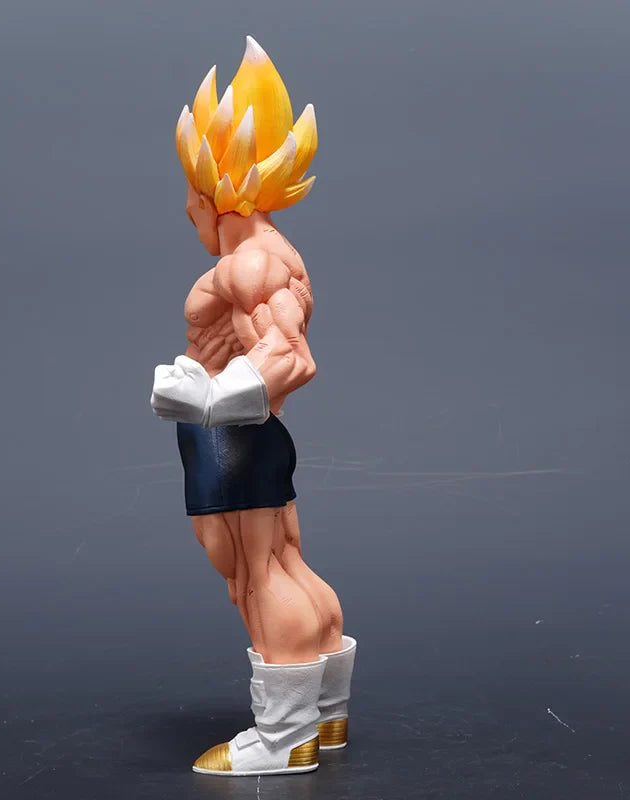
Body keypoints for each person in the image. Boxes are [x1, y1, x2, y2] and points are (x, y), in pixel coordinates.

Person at [150, 35, 357, 777]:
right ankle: (324, 711)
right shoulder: (267, 255)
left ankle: (283, 735)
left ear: (212, 192)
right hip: (243, 434)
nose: (186, 208)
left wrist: (207, 397)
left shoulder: (251, 262)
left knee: (251, 572)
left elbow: (289, 356)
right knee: (279, 562)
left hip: (232, 438)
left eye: (190, 194)